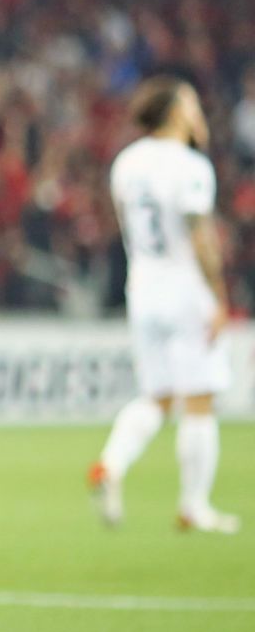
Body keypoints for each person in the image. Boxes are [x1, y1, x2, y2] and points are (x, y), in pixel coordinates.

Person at [89, 74, 239, 534]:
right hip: (184, 289)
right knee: (199, 400)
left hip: (144, 290)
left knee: (157, 396)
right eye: (191, 104)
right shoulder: (191, 166)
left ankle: (111, 465)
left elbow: (123, 224)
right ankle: (194, 505)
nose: (198, 113)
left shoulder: (126, 162)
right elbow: (200, 237)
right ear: (175, 112)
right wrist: (218, 296)